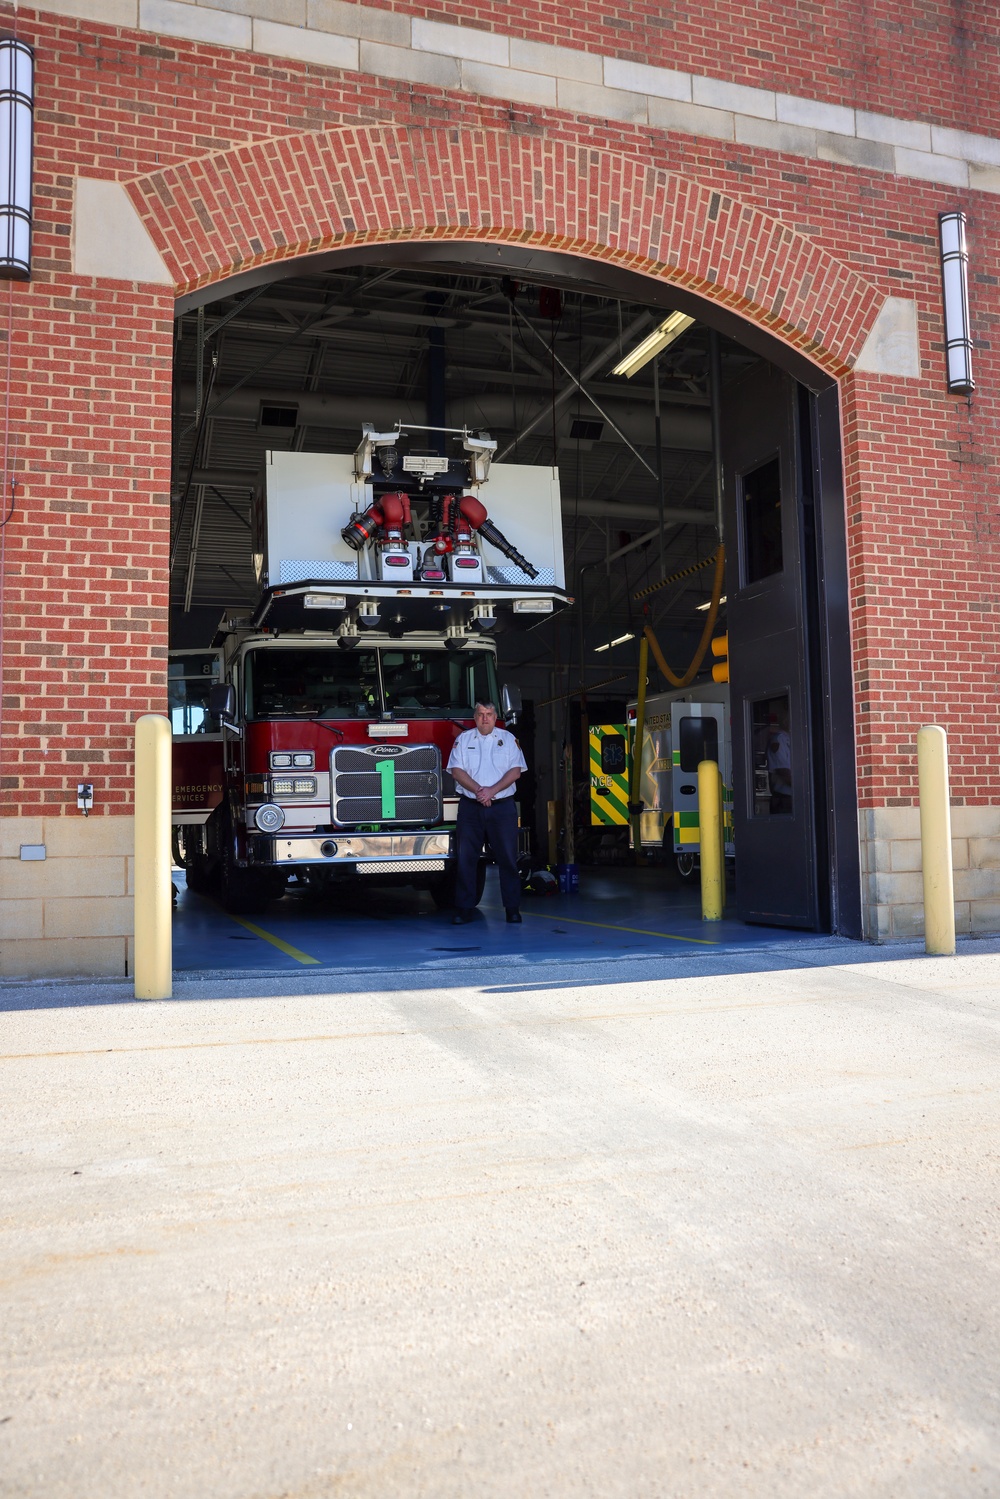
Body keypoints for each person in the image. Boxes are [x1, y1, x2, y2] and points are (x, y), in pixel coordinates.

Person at [447, 699, 527, 924]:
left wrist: (490, 792)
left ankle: (512, 909)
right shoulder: (463, 740)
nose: (485, 718)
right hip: (470, 808)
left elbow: (516, 772)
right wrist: (480, 792)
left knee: (508, 859)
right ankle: (464, 909)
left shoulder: (509, 739)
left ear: (495, 717)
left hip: (502, 808)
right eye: (481, 714)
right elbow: (456, 772)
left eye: (489, 714)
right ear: (474, 717)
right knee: (466, 860)